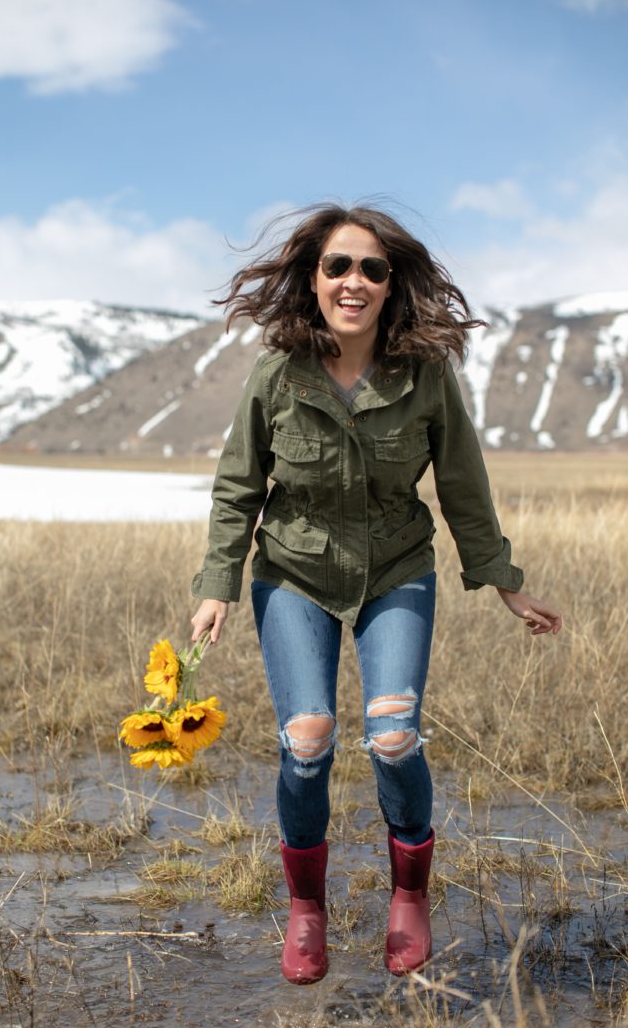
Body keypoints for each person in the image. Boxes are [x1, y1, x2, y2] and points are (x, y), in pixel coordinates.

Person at [190, 202, 562, 985]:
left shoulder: (424, 376)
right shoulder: (277, 372)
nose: (353, 281)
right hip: (292, 575)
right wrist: (218, 585)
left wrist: (503, 581)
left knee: (393, 733)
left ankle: (410, 894)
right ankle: (306, 909)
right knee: (308, 738)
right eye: (337, 266)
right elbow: (237, 487)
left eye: (371, 268)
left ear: (392, 285)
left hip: (397, 569)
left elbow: (462, 481)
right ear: (314, 279)